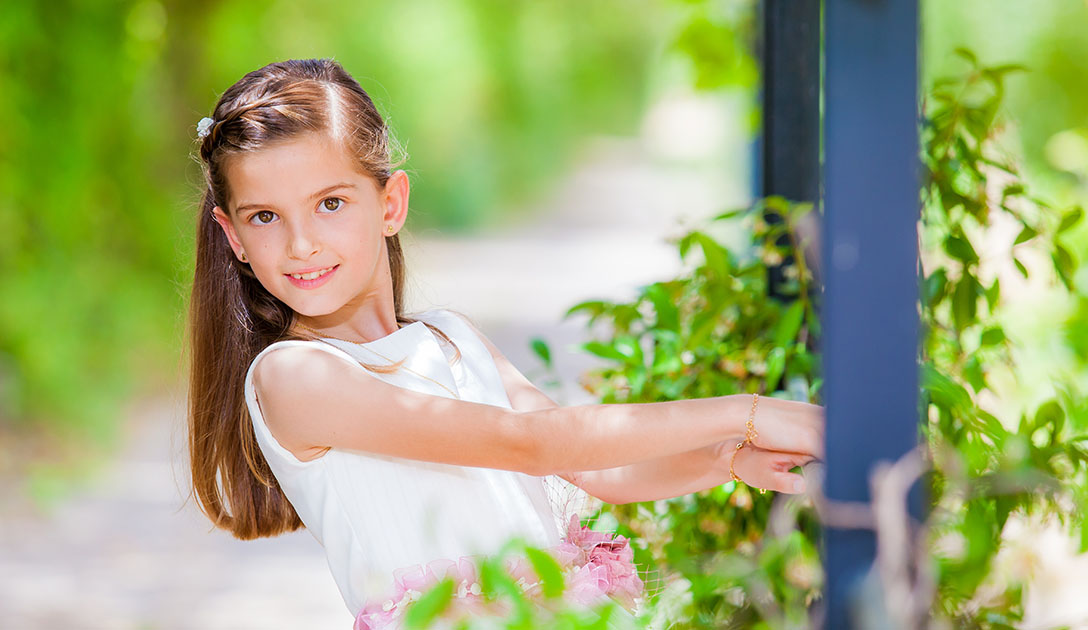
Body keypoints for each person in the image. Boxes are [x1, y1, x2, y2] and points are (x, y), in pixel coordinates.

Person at [185, 58, 824, 629]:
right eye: (265, 217)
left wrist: (723, 458)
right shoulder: (294, 377)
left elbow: (596, 468)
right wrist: (746, 410)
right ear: (234, 237)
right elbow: (531, 445)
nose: (301, 244)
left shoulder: (452, 339)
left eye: (330, 203)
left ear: (390, 203)